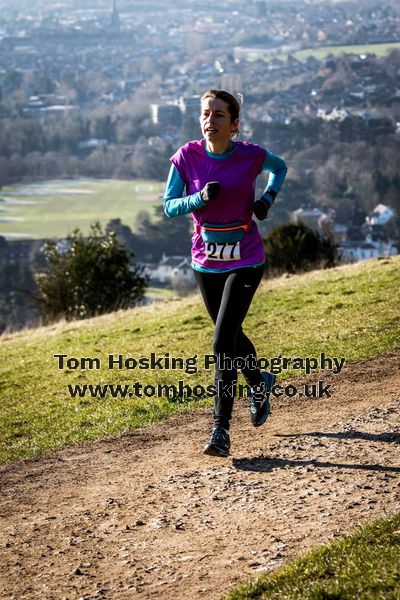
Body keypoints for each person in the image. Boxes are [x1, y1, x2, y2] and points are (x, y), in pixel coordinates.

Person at [163, 89, 287, 457]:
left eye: (219, 115)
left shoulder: (250, 155)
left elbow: (279, 168)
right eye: (205, 113)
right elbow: (169, 206)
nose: (209, 120)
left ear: (234, 124)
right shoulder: (187, 156)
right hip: (206, 263)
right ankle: (259, 382)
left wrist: (267, 199)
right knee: (230, 335)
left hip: (246, 259)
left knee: (221, 343)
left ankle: (220, 431)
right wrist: (198, 200)